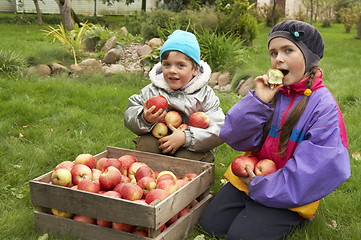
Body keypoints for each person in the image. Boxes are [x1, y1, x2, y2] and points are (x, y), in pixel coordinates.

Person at [199, 20, 351, 239]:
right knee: (210, 225)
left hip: (289, 192)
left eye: (288, 50)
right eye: (273, 52)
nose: (278, 58)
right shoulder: (271, 93)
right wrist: (258, 101)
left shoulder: (323, 107)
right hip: (251, 176)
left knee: (241, 237)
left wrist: (262, 185)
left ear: (309, 59)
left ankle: (293, 218)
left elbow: (317, 168)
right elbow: (235, 137)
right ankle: (255, 207)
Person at [124, 30, 224, 162]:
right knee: (146, 145)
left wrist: (185, 138)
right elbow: (129, 114)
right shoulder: (152, 91)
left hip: (192, 146)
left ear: (195, 70)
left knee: (187, 158)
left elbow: (219, 128)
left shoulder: (205, 95)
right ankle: (147, 176)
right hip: (159, 139)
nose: (172, 70)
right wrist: (144, 117)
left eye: (180, 65)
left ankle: (187, 178)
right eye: (167, 64)